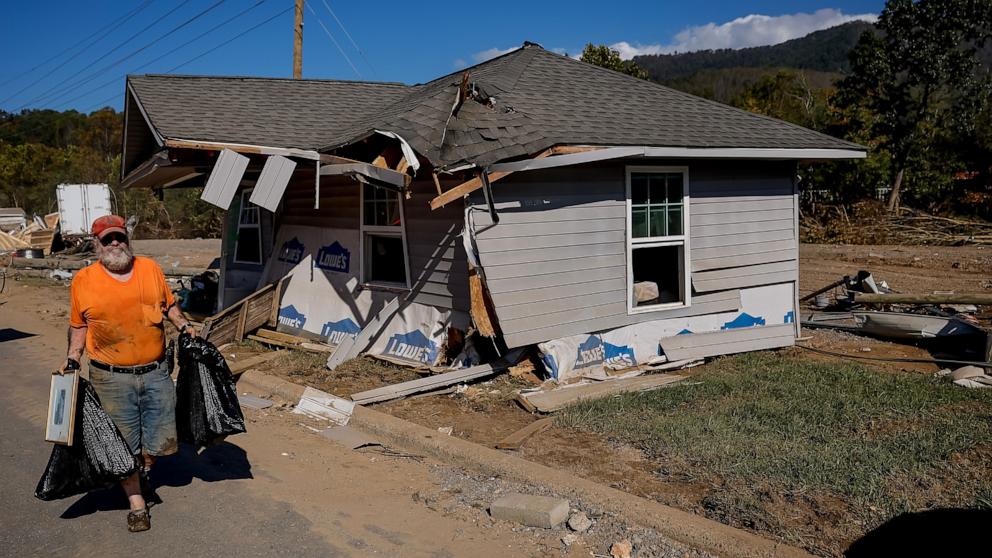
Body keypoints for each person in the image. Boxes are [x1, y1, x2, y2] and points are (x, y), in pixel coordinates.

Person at [58, 215, 195, 532]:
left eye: (119, 237)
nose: (115, 243)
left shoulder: (150, 269)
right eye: (107, 240)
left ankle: (141, 470)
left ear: (127, 239)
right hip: (110, 378)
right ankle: (136, 501)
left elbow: (169, 306)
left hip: (157, 372)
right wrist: (72, 357)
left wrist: (185, 326)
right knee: (122, 443)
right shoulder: (84, 280)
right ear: (97, 245)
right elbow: (79, 325)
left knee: (160, 440)